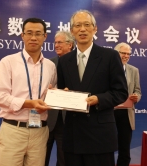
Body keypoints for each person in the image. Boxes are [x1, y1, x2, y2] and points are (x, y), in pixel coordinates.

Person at [57, 10, 128, 166]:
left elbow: (121, 92)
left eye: (87, 25)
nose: (82, 29)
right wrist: (60, 95)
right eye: (78, 25)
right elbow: (63, 89)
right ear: (72, 31)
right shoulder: (64, 61)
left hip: (99, 135)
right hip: (73, 135)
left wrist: (99, 99)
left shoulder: (109, 56)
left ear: (95, 29)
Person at [0, 18, 57, 166]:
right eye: (29, 33)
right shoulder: (8, 62)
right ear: (22, 35)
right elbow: (1, 97)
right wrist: (29, 104)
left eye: (38, 33)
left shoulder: (50, 66)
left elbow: (51, 94)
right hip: (13, 131)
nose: (33, 37)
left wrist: (59, 95)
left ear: (45, 36)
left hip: (40, 132)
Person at [45, 31, 75, 166]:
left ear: (70, 45)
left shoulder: (78, 63)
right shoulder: (49, 63)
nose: (56, 45)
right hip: (48, 117)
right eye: (55, 42)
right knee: (41, 157)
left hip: (67, 119)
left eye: (60, 42)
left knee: (64, 160)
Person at [114, 42, 141, 166]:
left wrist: (136, 97)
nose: (126, 56)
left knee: (125, 148)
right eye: (123, 53)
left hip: (126, 114)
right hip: (110, 112)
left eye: (128, 54)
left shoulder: (134, 70)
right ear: (116, 53)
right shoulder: (108, 68)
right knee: (107, 146)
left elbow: (137, 90)